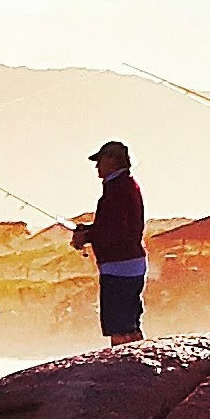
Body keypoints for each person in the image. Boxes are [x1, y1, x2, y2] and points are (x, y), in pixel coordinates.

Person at [71, 140, 150, 345]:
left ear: (113, 160)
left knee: (119, 327)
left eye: (100, 161)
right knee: (130, 323)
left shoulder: (117, 189)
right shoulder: (126, 186)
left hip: (118, 267)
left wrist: (86, 236)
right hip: (131, 263)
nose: (97, 166)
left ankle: (125, 371)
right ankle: (140, 365)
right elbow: (115, 225)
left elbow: (115, 230)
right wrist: (88, 231)